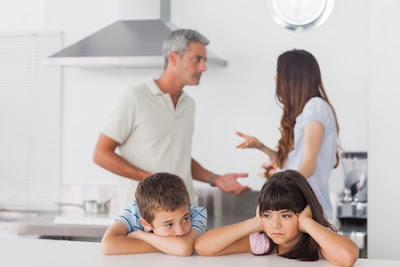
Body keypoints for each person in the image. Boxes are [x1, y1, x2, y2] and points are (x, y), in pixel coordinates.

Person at [93, 29, 249, 209]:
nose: (203, 67)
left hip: (183, 211)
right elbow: (101, 154)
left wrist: (216, 179)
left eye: (204, 60)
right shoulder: (135, 97)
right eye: (197, 59)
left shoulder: (188, 104)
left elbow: (178, 157)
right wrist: (152, 181)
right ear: (174, 58)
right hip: (144, 214)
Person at [236, 49, 339, 219]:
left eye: (279, 73)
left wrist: (278, 187)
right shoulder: (307, 110)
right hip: (301, 210)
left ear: (293, 77)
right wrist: (261, 147)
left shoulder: (315, 107)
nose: (275, 79)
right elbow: (291, 164)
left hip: (309, 211)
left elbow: (308, 166)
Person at [195, 170, 359, 266]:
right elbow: (203, 247)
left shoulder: (317, 241)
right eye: (267, 215)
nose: (275, 225)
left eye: (286, 215)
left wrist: (307, 223)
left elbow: (348, 257)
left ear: (305, 212)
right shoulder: (264, 241)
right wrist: (255, 222)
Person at [101, 172, 207, 256]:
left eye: (185, 219)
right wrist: (169, 246)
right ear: (146, 224)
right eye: (169, 224)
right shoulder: (135, 211)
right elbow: (107, 245)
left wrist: (141, 235)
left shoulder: (195, 213)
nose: (180, 231)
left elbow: (183, 249)